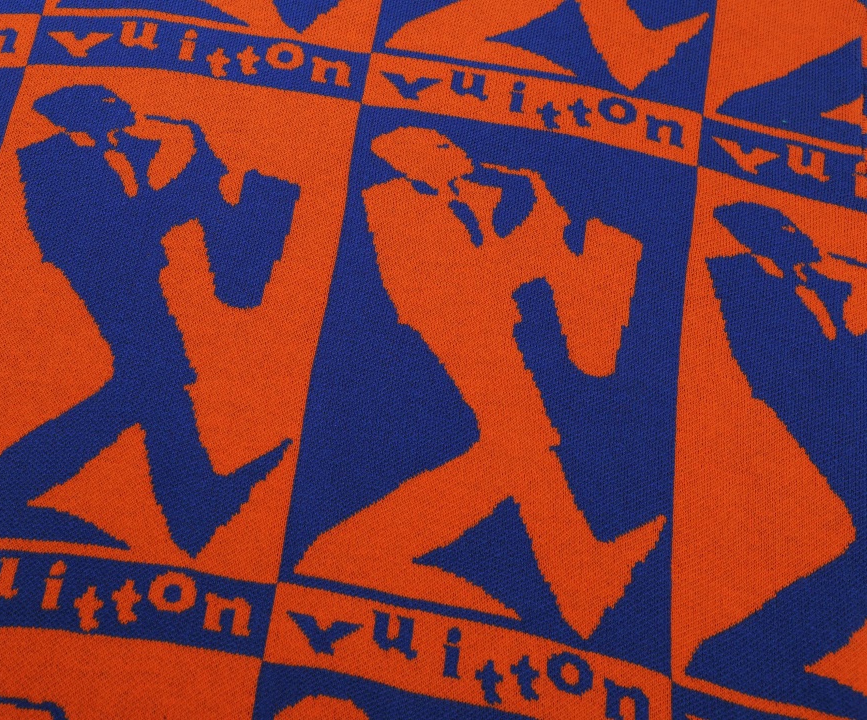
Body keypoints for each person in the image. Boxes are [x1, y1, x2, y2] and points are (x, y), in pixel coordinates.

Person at [298, 126, 664, 639]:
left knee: (520, 445)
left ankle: (583, 575)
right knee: (522, 444)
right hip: (459, 334)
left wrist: (537, 240)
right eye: (442, 146)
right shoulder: (393, 206)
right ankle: (353, 550)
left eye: (449, 142)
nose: (458, 150)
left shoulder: (470, 194)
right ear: (411, 161)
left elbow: (488, 269)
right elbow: (448, 284)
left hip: (492, 326)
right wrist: (532, 239)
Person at [0, 85, 297, 557]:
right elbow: (104, 232)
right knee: (149, 380)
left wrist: (188, 188)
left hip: (137, 274)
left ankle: (194, 503)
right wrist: (185, 189)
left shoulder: (123, 150)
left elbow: (135, 218)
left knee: (156, 378)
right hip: (107, 282)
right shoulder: (50, 161)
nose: (127, 106)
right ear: (79, 114)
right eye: (111, 102)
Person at [689, 201, 867, 717]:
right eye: (788, 227)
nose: (802, 234)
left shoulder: (810, 279)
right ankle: (737, 655)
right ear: (759, 238)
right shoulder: (742, 281)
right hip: (821, 412)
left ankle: (737, 655)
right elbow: (791, 365)